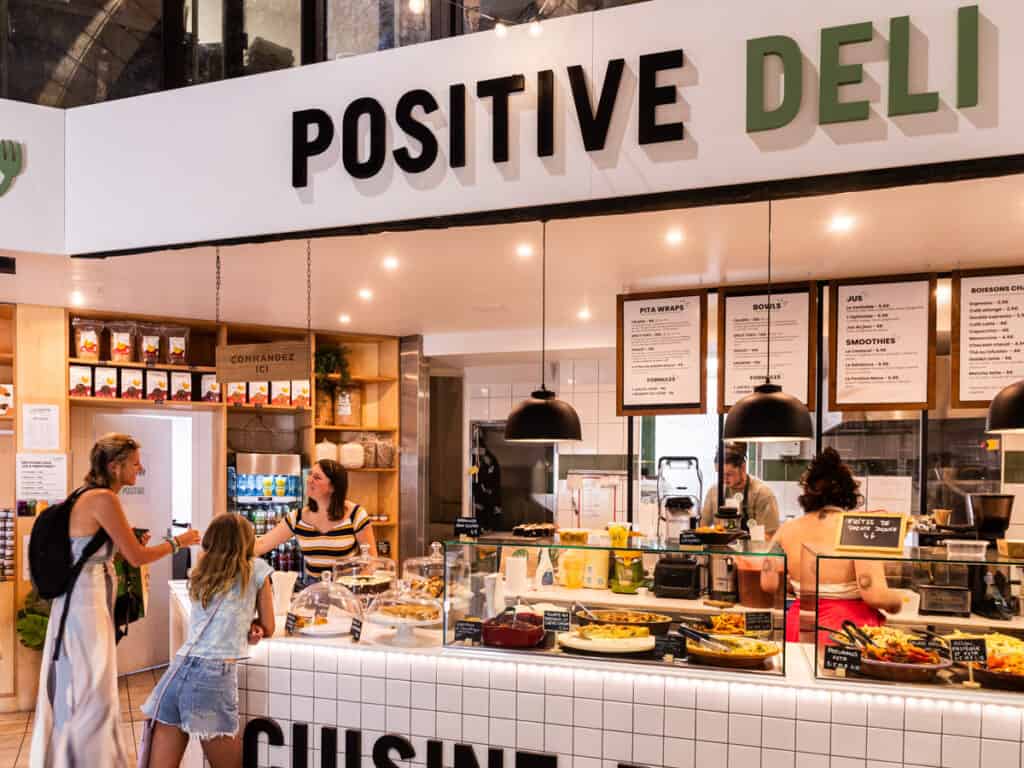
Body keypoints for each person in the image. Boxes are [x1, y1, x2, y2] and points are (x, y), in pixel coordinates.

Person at [31, 433, 201, 768]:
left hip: (81, 602)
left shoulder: (86, 495)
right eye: (135, 463)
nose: (140, 469)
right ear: (115, 465)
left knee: (85, 687)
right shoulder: (104, 499)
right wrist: (179, 542)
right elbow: (136, 557)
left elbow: (99, 547)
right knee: (92, 689)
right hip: (85, 605)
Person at [142, 514, 274, 768]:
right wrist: (255, 624)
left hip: (178, 670)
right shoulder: (257, 569)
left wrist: (246, 624)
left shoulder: (201, 571)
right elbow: (269, 625)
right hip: (213, 676)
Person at [763, 448, 903, 643]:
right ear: (848, 492)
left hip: (800, 626)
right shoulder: (858, 528)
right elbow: (875, 595)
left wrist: (793, 584)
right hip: (847, 631)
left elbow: (768, 583)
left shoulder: (787, 529)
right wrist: (897, 602)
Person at [255, 459, 376, 580]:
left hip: (346, 590)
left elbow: (371, 561)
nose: (309, 480)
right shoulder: (297, 518)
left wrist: (357, 588)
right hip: (314, 591)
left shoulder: (356, 515)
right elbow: (262, 544)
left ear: (333, 487)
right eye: (310, 474)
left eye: (317, 477)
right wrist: (238, 552)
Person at [700, 442, 780, 535]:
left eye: (728, 474)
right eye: (720, 474)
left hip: (752, 548)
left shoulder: (762, 493)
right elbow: (702, 528)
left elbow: (769, 535)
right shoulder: (714, 491)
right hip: (719, 549)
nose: (724, 479)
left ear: (743, 467)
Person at [472, 437, 502, 531]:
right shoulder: (474, 460)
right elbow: (470, 474)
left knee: (490, 522)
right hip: (479, 498)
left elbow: (492, 479)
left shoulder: (489, 460)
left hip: (489, 499)